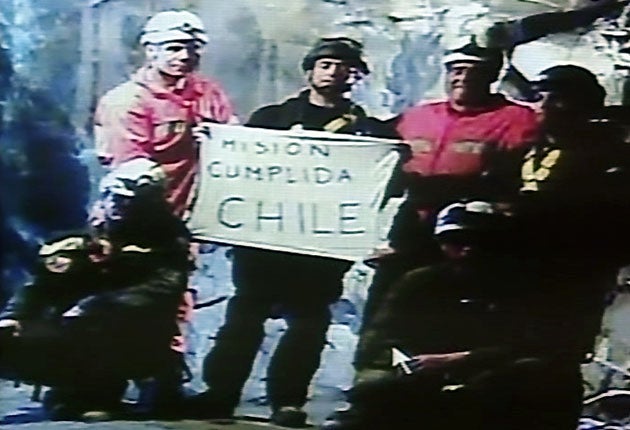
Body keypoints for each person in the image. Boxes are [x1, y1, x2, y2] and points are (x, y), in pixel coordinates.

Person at [190, 37, 394, 428]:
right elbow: (241, 165)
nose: (334, 72)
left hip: (320, 245)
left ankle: (288, 400)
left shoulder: (369, 131)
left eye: (344, 66)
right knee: (244, 318)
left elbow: (384, 183)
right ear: (310, 70)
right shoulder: (271, 118)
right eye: (326, 64)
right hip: (264, 242)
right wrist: (215, 147)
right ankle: (220, 393)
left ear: (356, 75)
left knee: (308, 323)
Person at [354, 39, 539, 377]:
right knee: (389, 296)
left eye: (474, 71)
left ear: (492, 77)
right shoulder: (417, 116)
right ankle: (373, 376)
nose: (463, 78)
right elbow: (381, 164)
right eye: (456, 70)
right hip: (414, 222)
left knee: (447, 302)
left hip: (471, 229)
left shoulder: (517, 119)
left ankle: (443, 383)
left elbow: (520, 176)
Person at [323, 201, 592, 430]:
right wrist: (407, 363)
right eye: (456, 242)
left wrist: (460, 361)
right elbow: (380, 340)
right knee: (372, 391)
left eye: (480, 242)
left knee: (548, 381)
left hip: (494, 374)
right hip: (425, 374)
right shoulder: (420, 282)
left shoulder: (529, 287)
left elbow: (544, 344)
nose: (468, 250)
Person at [0, 159, 191, 421]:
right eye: (116, 198)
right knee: (9, 338)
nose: (121, 206)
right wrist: (14, 316)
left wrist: (98, 306)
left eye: (131, 201)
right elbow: (40, 285)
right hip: (73, 328)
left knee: (110, 330)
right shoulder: (84, 236)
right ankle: (71, 391)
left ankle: (110, 390)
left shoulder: (166, 239)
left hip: (131, 329)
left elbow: (163, 288)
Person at [94, 9, 235, 218]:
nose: (185, 56)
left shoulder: (209, 92)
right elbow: (131, 171)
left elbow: (236, 141)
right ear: (151, 51)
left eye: (194, 48)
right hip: (142, 217)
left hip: (203, 216)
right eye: (174, 48)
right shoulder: (125, 102)